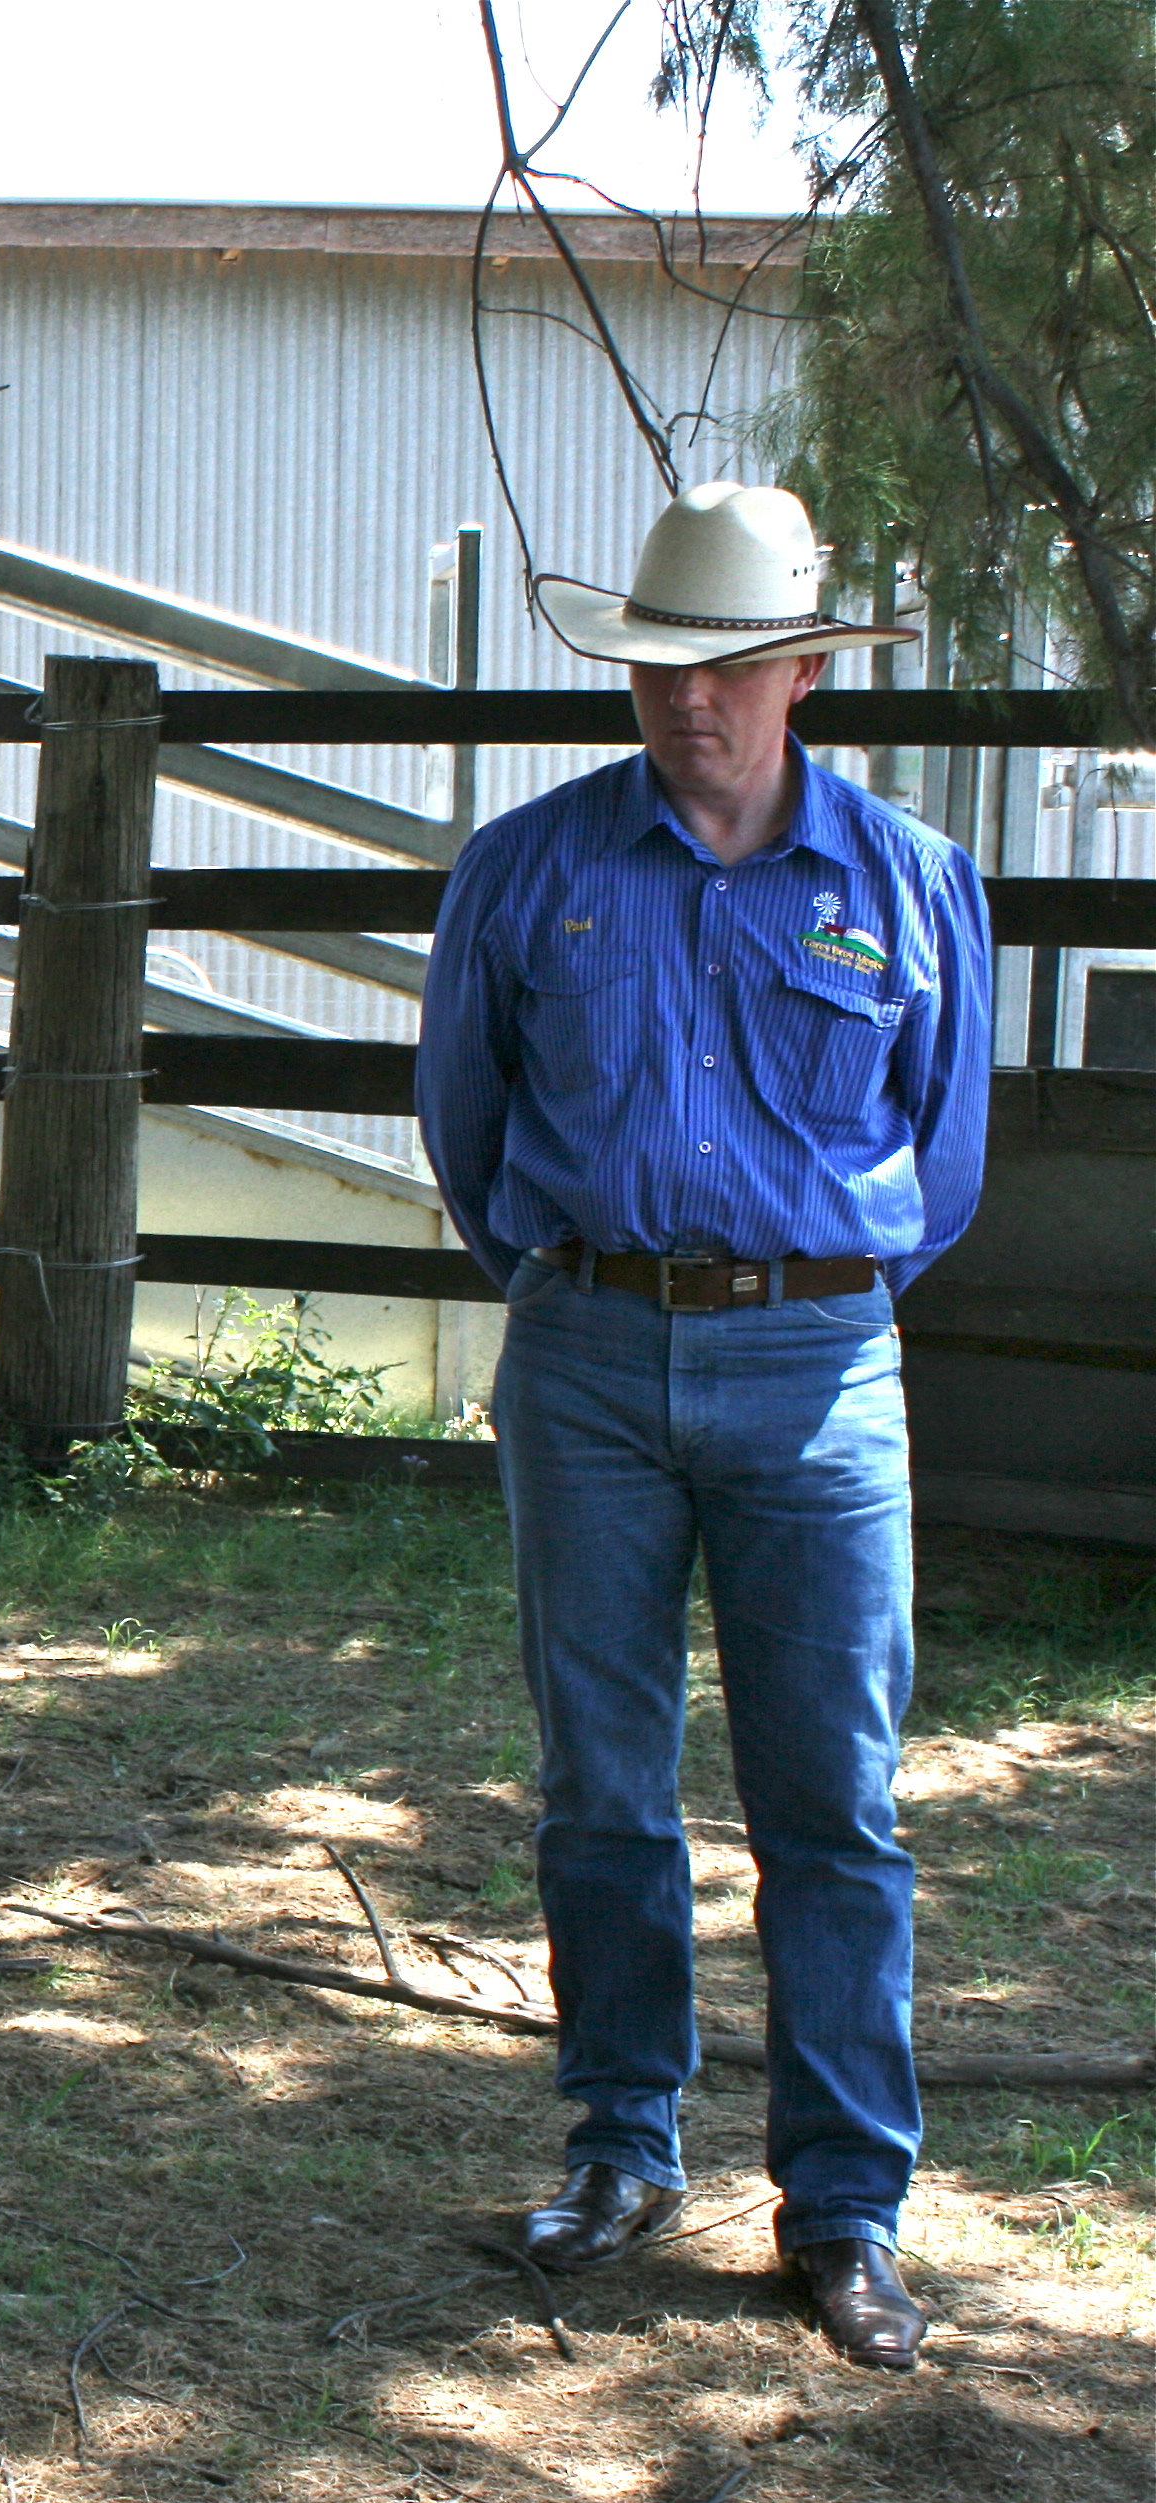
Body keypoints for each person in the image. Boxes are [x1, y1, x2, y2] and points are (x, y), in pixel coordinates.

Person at [416, 480, 989, 2371]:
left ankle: (845, 2206)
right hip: (585, 1356)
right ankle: (622, 2140)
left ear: (808, 669)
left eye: (734, 667)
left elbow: (948, 1160)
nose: (693, 702)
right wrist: (585, 1285)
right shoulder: (529, 869)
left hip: (820, 1368)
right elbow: (469, 1134)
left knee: (835, 1801)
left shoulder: (909, 883)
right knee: (602, 1778)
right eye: (663, 666)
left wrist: (798, 1293)